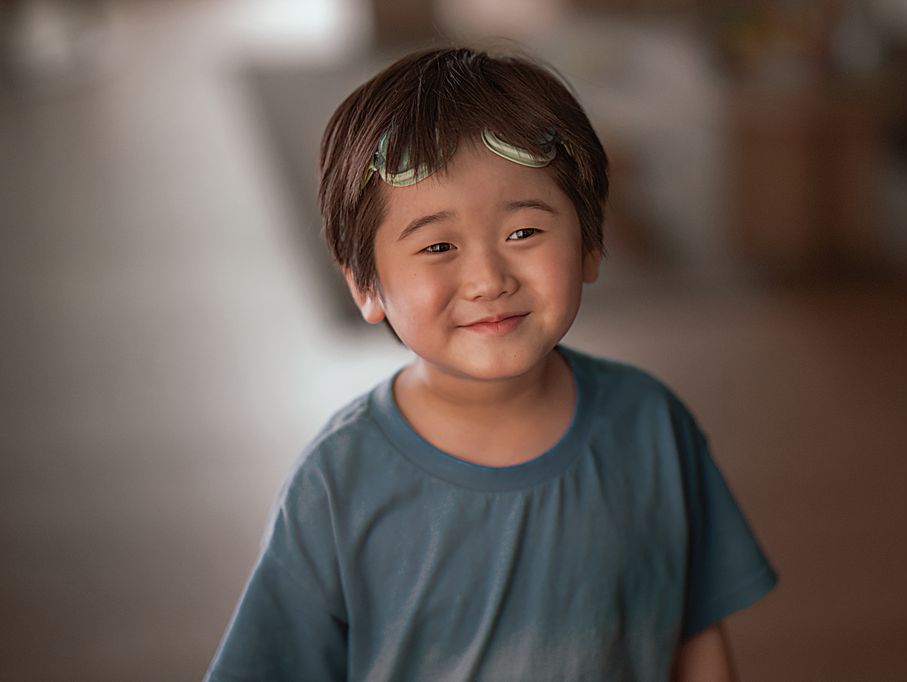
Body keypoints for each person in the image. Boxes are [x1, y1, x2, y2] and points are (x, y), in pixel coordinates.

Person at [205, 46, 776, 681]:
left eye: (523, 233)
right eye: (438, 246)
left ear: (591, 244)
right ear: (365, 285)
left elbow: (696, 633)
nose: (488, 279)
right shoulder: (337, 487)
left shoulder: (652, 426)